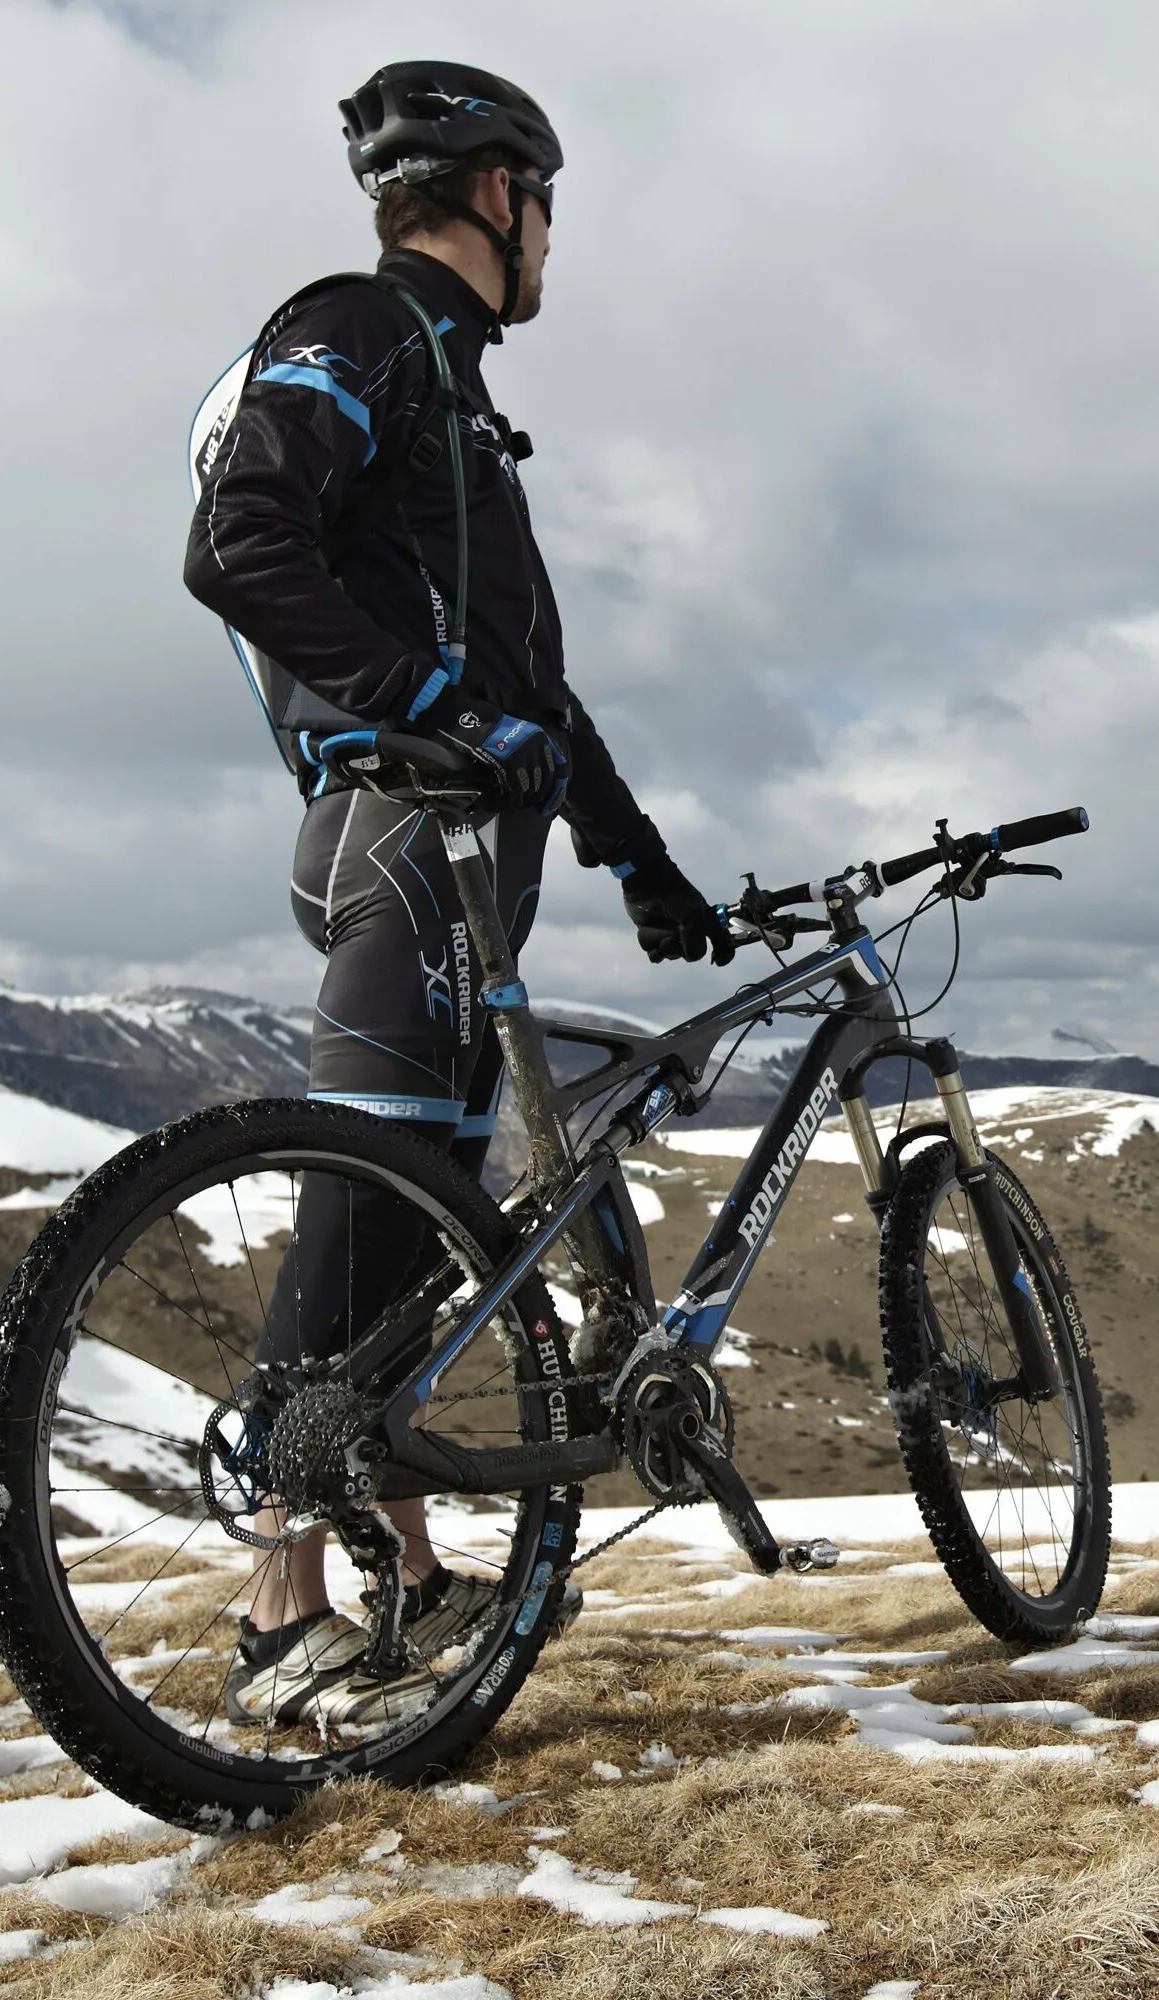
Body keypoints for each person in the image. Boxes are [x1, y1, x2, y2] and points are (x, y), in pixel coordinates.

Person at [183, 62, 720, 1728]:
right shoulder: (361, 328)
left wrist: (644, 865)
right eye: (546, 203)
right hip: (400, 837)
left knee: (425, 1229)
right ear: (500, 194)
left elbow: (535, 694)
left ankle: (405, 1579)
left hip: (470, 858)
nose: (552, 237)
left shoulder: (461, 405)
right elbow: (239, 542)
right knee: (363, 1210)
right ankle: (280, 1611)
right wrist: (427, 709)